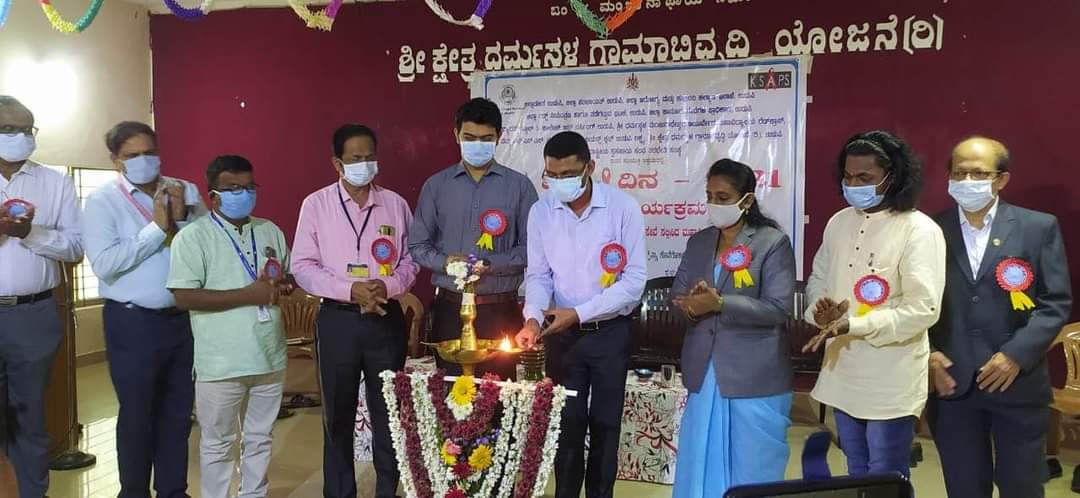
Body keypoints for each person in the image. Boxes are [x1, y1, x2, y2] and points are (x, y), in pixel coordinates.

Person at [928, 136, 1071, 498]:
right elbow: (915, 301)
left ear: (1002, 179)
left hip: (1017, 382)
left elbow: (1055, 302)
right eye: (958, 173)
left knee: (1021, 486)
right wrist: (928, 353)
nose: (967, 181)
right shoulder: (929, 230)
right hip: (952, 383)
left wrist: (1015, 355)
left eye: (978, 173)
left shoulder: (1038, 227)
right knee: (964, 487)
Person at [802, 130, 945, 479]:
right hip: (843, 372)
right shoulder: (839, 222)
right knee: (856, 469)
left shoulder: (918, 230)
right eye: (848, 177)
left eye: (864, 178)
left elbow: (924, 309)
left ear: (891, 176)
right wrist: (819, 311)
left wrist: (854, 324)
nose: (853, 185)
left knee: (885, 474)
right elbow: (819, 277)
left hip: (890, 377)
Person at [515, 131, 646, 498]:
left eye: (569, 174)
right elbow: (538, 276)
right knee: (567, 426)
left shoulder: (623, 208)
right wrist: (533, 318)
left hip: (610, 334)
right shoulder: (541, 212)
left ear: (590, 167)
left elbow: (634, 282)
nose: (560, 182)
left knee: (605, 426)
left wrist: (579, 312)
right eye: (552, 175)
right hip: (563, 337)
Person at [292, 124, 418, 498]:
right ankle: (339, 492)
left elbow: (411, 261)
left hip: (385, 318)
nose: (365, 164)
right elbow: (303, 267)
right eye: (355, 158)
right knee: (337, 415)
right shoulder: (316, 205)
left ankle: (386, 490)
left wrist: (388, 286)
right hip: (338, 321)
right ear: (337, 163)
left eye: (370, 157)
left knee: (388, 413)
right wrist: (350, 290)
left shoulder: (395, 204)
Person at [83, 121, 206, 498]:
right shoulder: (103, 201)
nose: (143, 160)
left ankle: (173, 490)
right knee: (137, 414)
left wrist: (183, 218)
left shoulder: (185, 190)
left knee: (177, 413)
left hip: (182, 320)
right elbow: (105, 264)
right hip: (132, 321)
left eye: (149, 153)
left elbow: (206, 249)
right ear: (116, 160)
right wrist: (156, 228)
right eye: (132, 155)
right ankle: (134, 492)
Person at [167, 155, 291, 498]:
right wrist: (248, 295)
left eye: (249, 187)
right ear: (213, 196)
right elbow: (184, 297)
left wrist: (284, 285)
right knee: (218, 443)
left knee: (260, 437)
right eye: (233, 188)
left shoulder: (269, 230)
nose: (244, 194)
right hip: (220, 363)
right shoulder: (193, 237)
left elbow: (287, 275)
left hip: (269, 355)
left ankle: (254, 494)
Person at [670, 159, 796, 496]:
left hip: (753, 374)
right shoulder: (699, 242)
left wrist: (720, 303)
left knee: (751, 467)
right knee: (699, 461)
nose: (714, 204)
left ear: (747, 200)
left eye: (723, 198)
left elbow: (778, 308)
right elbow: (677, 296)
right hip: (703, 370)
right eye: (710, 196)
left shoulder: (772, 243)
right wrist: (692, 305)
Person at [410, 97, 538, 379]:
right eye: (469, 138)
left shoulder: (520, 187)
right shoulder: (436, 186)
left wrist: (490, 264)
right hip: (450, 309)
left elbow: (533, 249)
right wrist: (446, 262)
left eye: (486, 138)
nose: (477, 145)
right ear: (456, 134)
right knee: (452, 394)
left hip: (499, 310)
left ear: (499, 137)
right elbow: (417, 246)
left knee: (499, 395)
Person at [0, 95, 83, 498]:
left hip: (33, 314)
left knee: (30, 417)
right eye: (10, 129)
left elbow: (75, 247)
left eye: (27, 129)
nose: (21, 136)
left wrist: (29, 233)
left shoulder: (54, 182)